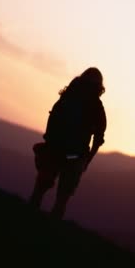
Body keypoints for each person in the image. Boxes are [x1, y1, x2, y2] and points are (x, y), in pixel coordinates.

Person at [29, 67, 107, 219]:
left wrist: (49, 143)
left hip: (56, 149)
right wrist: (87, 160)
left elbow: (53, 118)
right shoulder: (97, 107)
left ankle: (28, 221)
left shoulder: (68, 96)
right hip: (74, 156)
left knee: (40, 189)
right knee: (61, 200)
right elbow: (99, 137)